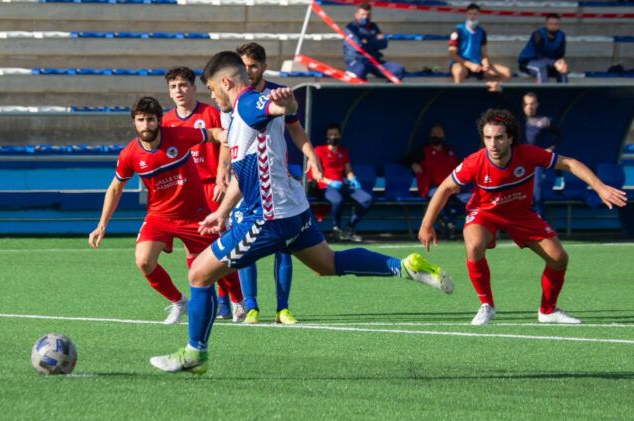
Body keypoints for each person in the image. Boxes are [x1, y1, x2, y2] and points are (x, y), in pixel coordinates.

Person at [150, 51, 454, 375]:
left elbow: (276, 108)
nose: (212, 96)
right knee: (328, 263)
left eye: (212, 89)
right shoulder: (245, 112)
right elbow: (245, 171)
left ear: (225, 82)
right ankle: (404, 267)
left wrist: (288, 105)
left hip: (268, 218)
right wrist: (223, 211)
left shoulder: (248, 103)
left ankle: (195, 353)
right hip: (294, 209)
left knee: (198, 273)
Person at [418, 109, 627, 326]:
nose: (493, 144)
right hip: (485, 213)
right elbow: (445, 188)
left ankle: (548, 310)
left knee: (559, 258)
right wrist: (426, 224)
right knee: (474, 246)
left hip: (520, 214)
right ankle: (486, 305)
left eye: (499, 138)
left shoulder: (527, 154)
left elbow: (569, 163)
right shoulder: (475, 162)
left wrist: (600, 188)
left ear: (510, 138)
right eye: (488, 138)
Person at [88, 97, 233, 325]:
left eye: (150, 120)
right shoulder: (130, 154)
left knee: (222, 261)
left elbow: (213, 134)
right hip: (159, 216)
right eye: (141, 120)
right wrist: (101, 225)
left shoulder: (179, 135)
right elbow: (115, 188)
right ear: (134, 122)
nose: (146, 125)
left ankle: (241, 302)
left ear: (159, 121)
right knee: (144, 261)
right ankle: (178, 302)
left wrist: (225, 136)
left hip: (195, 214)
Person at [229, 42, 325, 325]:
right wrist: (224, 171)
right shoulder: (232, 98)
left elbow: (296, 130)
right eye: (243, 66)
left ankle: (282, 308)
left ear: (263, 66)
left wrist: (313, 158)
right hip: (245, 185)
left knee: (284, 246)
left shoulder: (277, 94)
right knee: (244, 246)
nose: (249, 71)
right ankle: (252, 306)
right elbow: (228, 139)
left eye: (254, 66)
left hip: (276, 184)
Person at [161, 66, 247, 322]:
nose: (179, 90)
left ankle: (236, 299)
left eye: (183, 85)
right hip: (183, 193)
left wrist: (223, 175)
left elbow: (227, 141)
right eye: (173, 86)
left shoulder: (210, 113)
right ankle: (206, 301)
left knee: (217, 247)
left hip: (210, 187)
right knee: (193, 250)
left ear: (193, 87)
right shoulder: (166, 121)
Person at [312, 123, 373, 242]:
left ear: (339, 136)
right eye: (330, 134)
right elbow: (315, 174)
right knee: (338, 200)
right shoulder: (319, 150)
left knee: (367, 199)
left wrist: (352, 179)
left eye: (335, 134)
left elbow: (348, 170)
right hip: (326, 186)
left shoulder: (343, 151)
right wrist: (330, 182)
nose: (333, 137)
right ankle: (337, 229)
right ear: (326, 136)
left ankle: (349, 228)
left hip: (342, 185)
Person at [404, 124, 466, 238]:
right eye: (433, 133)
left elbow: (460, 169)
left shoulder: (449, 151)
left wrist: (458, 185)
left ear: (443, 136)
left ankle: (449, 221)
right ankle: (447, 222)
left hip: (453, 188)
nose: (435, 135)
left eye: (438, 133)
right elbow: (405, 159)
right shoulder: (423, 150)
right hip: (432, 187)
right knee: (441, 196)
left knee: (468, 199)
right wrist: (413, 164)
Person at [448, 3, 512, 90]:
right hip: (462, 64)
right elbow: (452, 54)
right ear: (466, 14)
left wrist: (485, 63)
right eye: (470, 14)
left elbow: (484, 53)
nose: (472, 16)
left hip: (478, 65)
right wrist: (470, 65)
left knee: (506, 72)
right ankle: (458, 96)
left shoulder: (482, 32)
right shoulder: (458, 30)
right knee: (458, 71)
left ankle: (493, 92)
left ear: (479, 15)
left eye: (475, 14)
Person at [343, 3, 405, 81]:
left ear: (371, 15)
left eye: (367, 14)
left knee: (398, 70)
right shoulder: (351, 28)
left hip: (373, 60)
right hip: (357, 60)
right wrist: (373, 40)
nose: (365, 17)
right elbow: (358, 46)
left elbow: (383, 44)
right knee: (359, 72)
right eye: (362, 14)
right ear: (356, 15)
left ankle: (386, 92)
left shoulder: (373, 26)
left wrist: (367, 41)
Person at [521, 92, 559, 215]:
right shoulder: (517, 120)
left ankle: (540, 226)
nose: (529, 107)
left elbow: (558, 134)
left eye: (532, 104)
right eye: (526, 104)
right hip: (517, 163)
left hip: (536, 162)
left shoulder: (544, 120)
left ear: (537, 104)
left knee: (537, 196)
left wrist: (551, 147)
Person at [518, 13, 569, 84]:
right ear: (546, 25)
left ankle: (564, 93)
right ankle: (542, 93)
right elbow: (540, 56)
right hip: (528, 62)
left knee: (562, 70)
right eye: (551, 24)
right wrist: (555, 63)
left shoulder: (561, 35)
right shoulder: (538, 35)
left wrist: (562, 64)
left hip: (548, 63)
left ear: (559, 25)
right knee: (541, 68)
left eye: (556, 24)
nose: (553, 26)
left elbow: (560, 55)